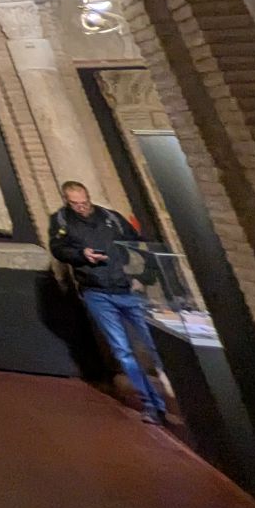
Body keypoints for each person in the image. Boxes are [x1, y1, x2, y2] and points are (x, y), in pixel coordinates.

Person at [49, 180, 169, 424]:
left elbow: (136, 243)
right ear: (67, 202)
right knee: (122, 350)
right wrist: (81, 255)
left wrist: (143, 276)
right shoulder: (61, 221)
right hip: (97, 291)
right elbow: (58, 249)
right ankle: (151, 404)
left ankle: (174, 393)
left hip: (127, 288)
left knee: (155, 342)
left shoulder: (110, 218)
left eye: (84, 202)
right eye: (76, 204)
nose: (82, 207)